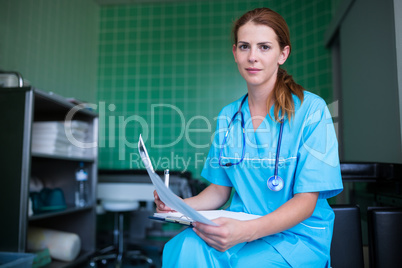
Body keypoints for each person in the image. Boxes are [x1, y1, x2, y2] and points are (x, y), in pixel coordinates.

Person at [154, 7, 343, 267]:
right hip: (239, 229)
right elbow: (219, 191)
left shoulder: (312, 110)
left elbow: (305, 202)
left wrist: (247, 231)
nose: (252, 57)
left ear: (282, 54)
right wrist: (177, 205)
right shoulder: (228, 116)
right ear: (235, 53)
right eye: (244, 47)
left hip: (295, 237)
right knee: (184, 246)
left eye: (264, 47)